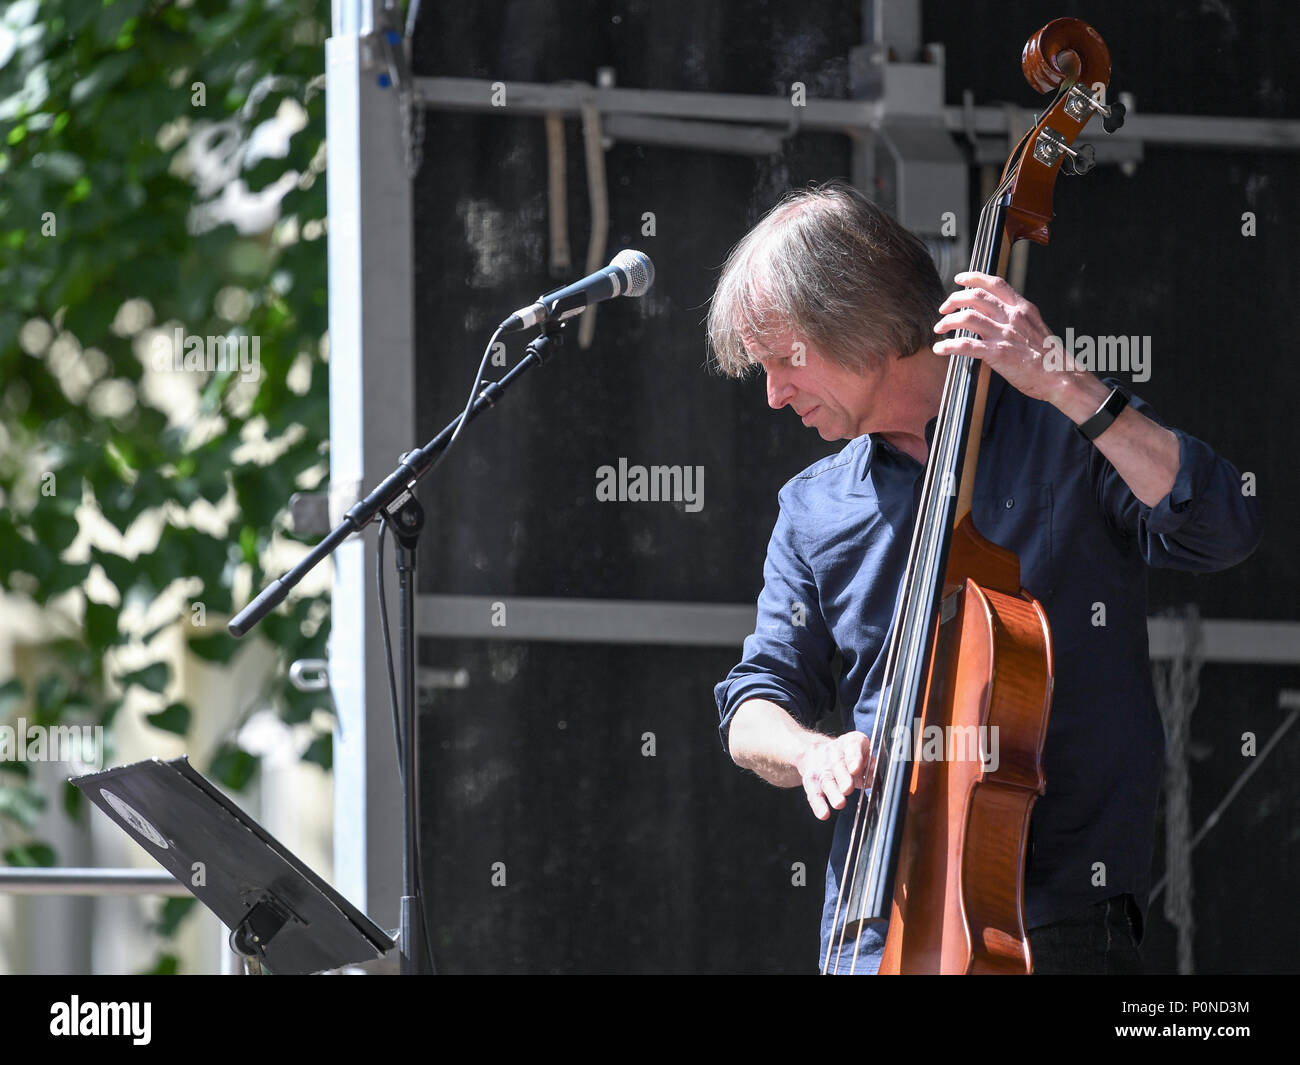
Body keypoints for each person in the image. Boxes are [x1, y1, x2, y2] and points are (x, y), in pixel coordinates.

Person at [709, 179, 1262, 974]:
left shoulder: (1065, 438)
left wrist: (1070, 386)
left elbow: (1223, 527)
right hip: (875, 932)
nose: (773, 394)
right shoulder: (813, 509)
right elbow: (752, 702)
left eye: (784, 361)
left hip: (1057, 926)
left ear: (857, 320)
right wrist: (807, 753)